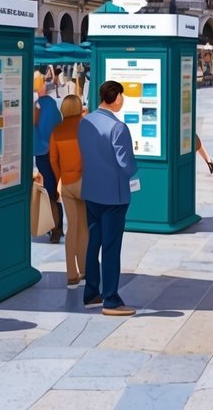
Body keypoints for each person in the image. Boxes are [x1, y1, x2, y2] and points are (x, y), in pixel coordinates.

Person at [77, 81, 138, 316]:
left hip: (91, 191)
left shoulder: (86, 121)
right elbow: (126, 165)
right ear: (118, 97)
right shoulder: (118, 127)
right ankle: (111, 300)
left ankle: (91, 292)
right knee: (111, 248)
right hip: (114, 195)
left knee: (94, 243)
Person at [49, 94, 88, 288]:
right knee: (85, 226)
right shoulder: (85, 126)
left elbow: (53, 160)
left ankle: (71, 274)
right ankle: (85, 268)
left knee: (72, 227)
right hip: (84, 181)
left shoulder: (56, 131)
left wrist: (59, 178)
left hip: (66, 183)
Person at [34, 92, 64, 243]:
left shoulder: (41, 119)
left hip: (45, 157)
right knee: (53, 193)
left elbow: (39, 141)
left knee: (50, 193)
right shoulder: (55, 114)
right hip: (55, 156)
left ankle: (55, 229)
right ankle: (57, 227)